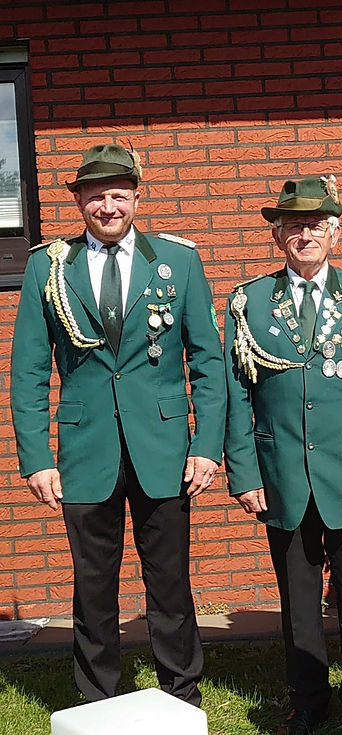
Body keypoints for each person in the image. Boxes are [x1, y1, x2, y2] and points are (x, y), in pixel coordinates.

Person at [10, 143, 225, 705]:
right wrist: (36, 459)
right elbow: (28, 370)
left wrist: (206, 446)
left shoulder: (177, 261)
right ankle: (97, 700)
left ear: (136, 197)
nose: (108, 206)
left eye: (118, 195)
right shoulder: (47, 266)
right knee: (93, 586)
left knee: (170, 581)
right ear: (79, 200)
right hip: (85, 449)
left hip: (164, 448)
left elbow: (208, 361)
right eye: (96, 196)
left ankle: (181, 695)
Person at [223, 175, 342, 734]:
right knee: (299, 598)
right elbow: (237, 394)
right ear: (277, 235)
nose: (304, 235)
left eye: (314, 225)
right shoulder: (249, 302)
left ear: (335, 232)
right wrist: (244, 472)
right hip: (283, 472)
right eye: (293, 226)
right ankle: (307, 698)